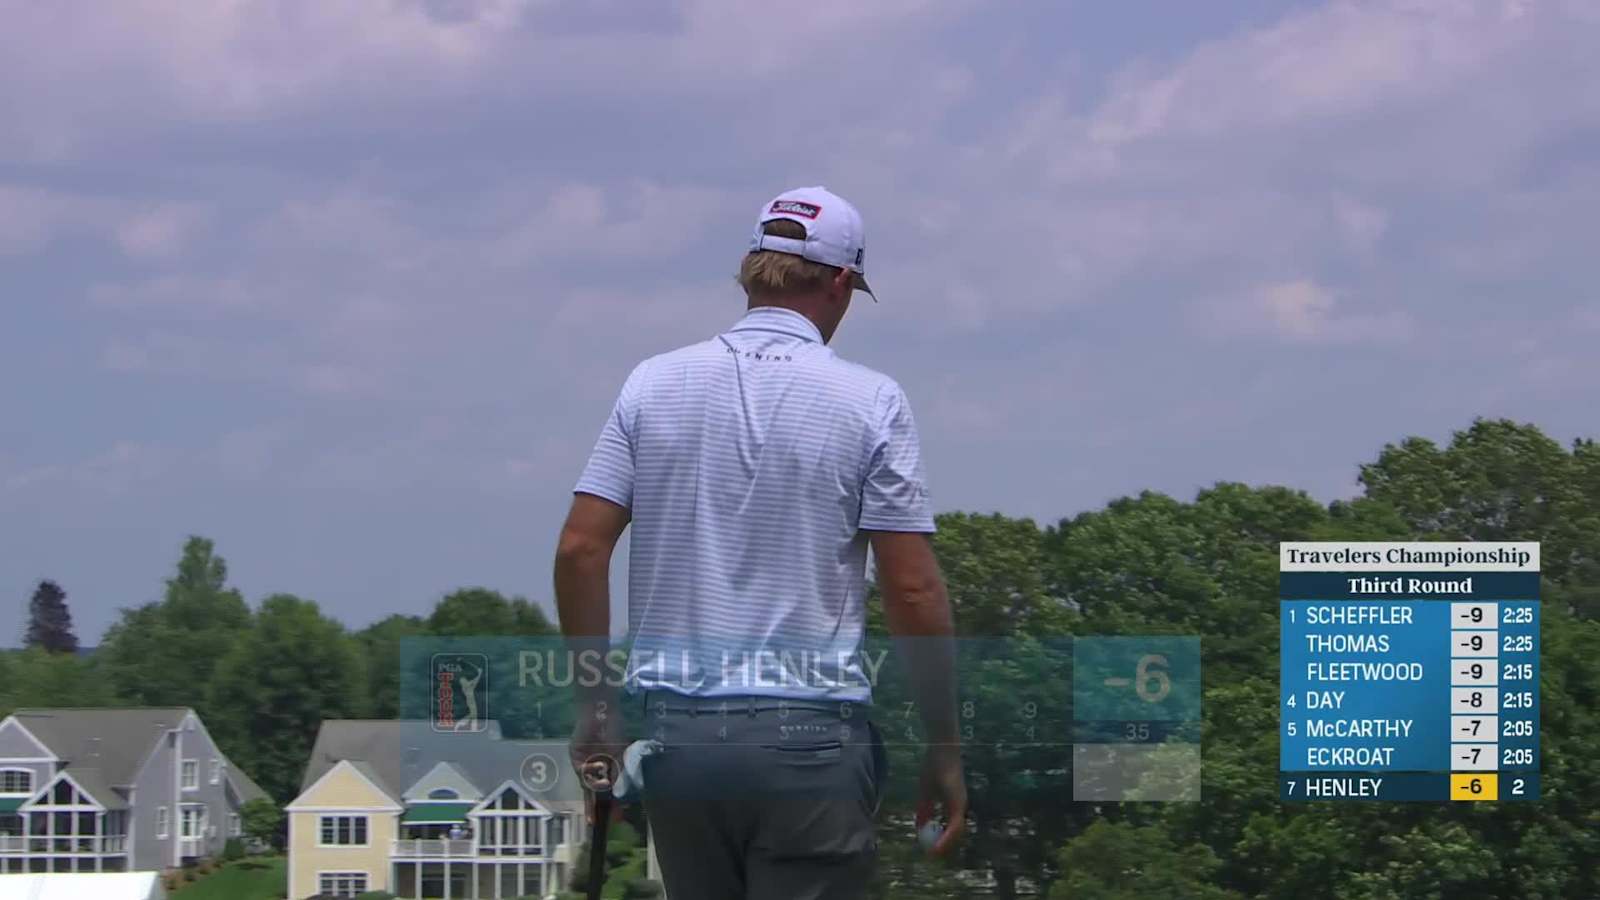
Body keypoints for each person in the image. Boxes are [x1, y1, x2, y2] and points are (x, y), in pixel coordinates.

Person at [554, 186, 967, 899]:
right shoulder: (871, 401)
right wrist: (944, 746)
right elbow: (913, 588)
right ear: (840, 282)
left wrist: (597, 711)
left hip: (680, 749)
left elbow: (580, 551)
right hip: (809, 749)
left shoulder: (652, 384)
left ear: (754, 270)